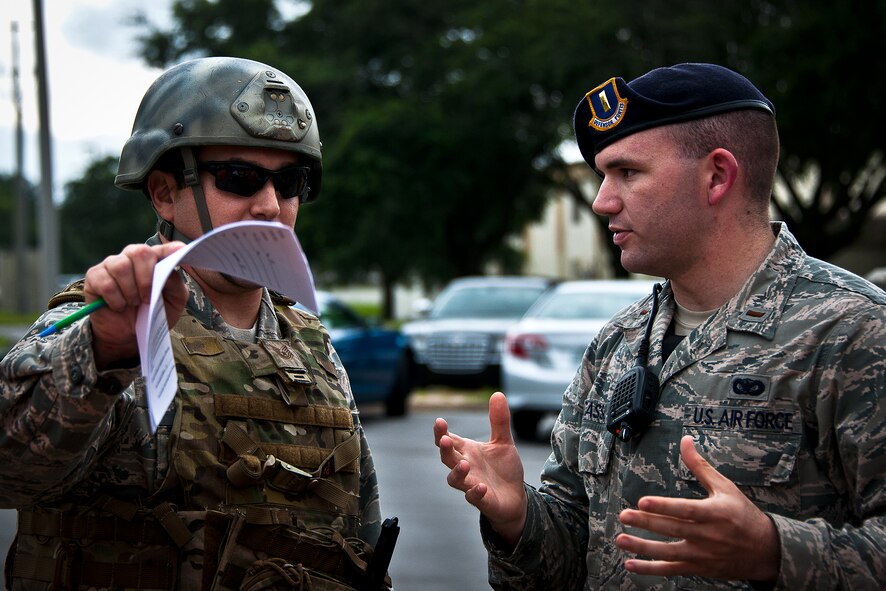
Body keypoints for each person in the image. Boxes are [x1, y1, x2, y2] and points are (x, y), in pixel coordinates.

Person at [434, 63, 886, 590]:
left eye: (627, 172)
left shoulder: (853, 334)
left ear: (717, 176)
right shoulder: (618, 344)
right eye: (604, 175)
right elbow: (572, 555)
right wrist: (518, 520)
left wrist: (775, 551)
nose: (602, 200)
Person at [0, 56, 391, 590]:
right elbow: (11, 470)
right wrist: (105, 349)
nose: (270, 206)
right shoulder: (103, 331)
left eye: (290, 181)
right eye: (239, 179)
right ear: (164, 192)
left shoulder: (311, 344)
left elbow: (359, 535)